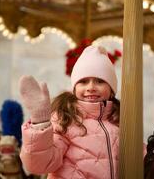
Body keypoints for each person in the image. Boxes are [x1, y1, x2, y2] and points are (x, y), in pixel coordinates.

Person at [19, 45, 144, 179]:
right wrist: (40, 123)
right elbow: (39, 165)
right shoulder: (65, 119)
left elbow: (143, 160)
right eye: (83, 82)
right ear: (74, 88)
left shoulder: (121, 121)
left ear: (112, 89)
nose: (91, 87)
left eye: (100, 81)